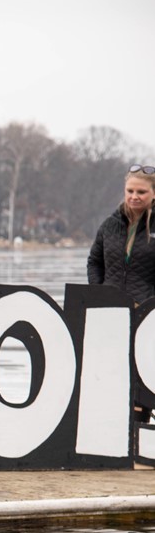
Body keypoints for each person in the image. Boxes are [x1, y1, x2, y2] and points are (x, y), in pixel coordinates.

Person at [87, 164, 155, 427]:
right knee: (110, 368)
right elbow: (94, 261)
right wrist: (99, 291)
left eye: (141, 192)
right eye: (130, 191)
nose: (134, 196)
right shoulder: (110, 225)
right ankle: (111, 425)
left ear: (153, 194)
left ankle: (139, 422)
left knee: (142, 370)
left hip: (146, 312)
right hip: (111, 310)